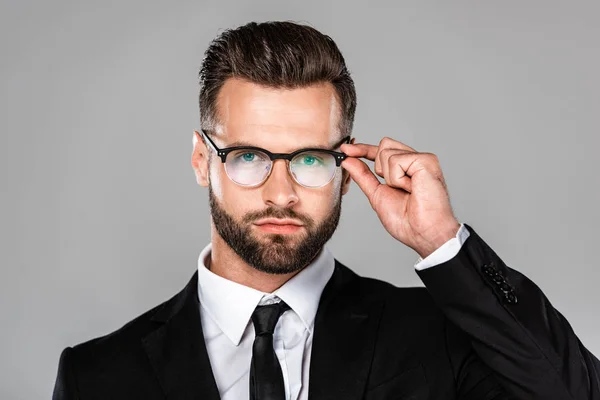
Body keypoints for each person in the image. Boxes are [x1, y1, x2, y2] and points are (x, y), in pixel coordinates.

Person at [52, 21, 600, 400]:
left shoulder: (438, 337)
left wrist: (442, 242)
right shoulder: (98, 374)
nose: (282, 192)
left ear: (347, 167)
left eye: (310, 159)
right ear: (203, 160)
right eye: (248, 157)